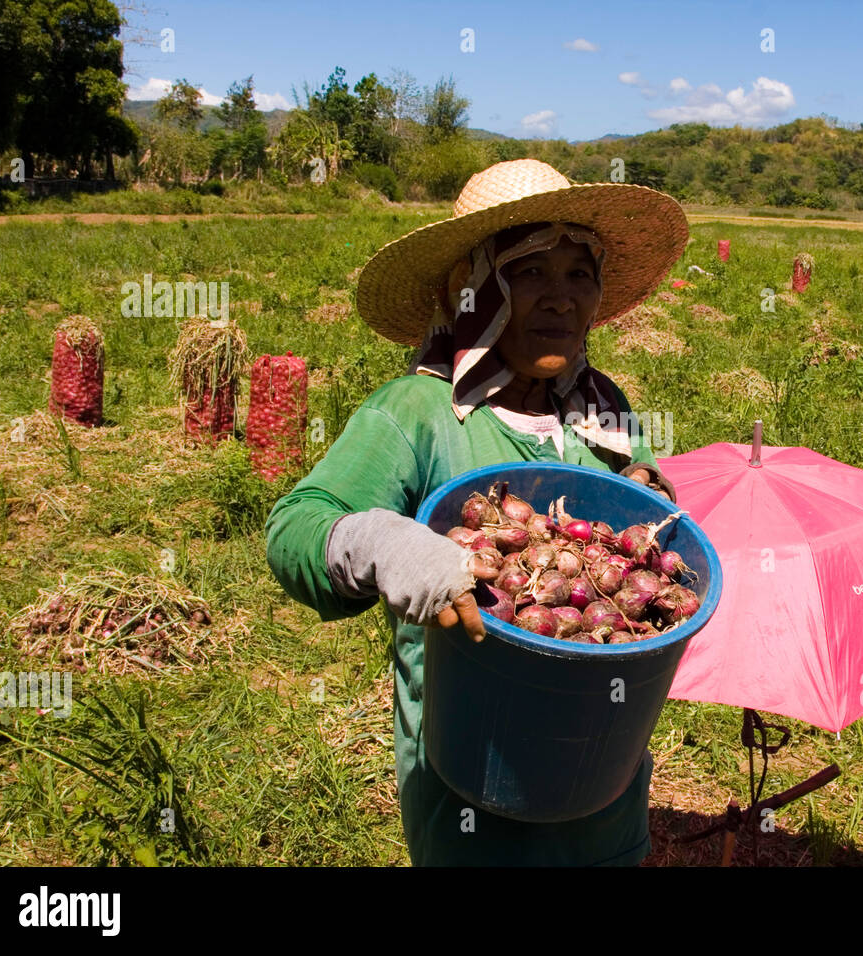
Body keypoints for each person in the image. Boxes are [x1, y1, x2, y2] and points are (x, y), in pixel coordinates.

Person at [265, 158, 689, 865]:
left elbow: (637, 516)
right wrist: (379, 542)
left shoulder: (599, 407)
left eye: (579, 274)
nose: (562, 299)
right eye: (528, 273)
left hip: (606, 790)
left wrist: (649, 491)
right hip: (475, 790)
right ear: (471, 293)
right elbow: (296, 526)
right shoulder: (419, 413)